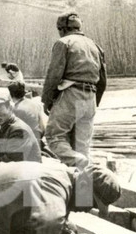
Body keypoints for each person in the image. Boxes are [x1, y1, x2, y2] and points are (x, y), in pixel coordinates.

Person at [41, 12, 107, 168]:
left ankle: (79, 163)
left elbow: (54, 75)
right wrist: (93, 103)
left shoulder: (64, 43)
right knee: (81, 146)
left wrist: (47, 100)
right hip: (90, 97)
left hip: (71, 95)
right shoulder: (95, 46)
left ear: (62, 29)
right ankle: (82, 176)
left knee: (54, 137)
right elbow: (103, 81)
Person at [8, 81, 48, 147]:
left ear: (11, 94)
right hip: (40, 135)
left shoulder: (17, 109)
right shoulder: (33, 103)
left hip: (29, 140)